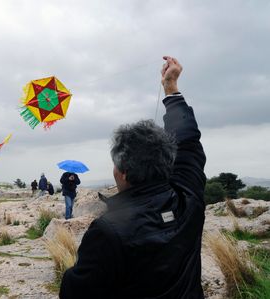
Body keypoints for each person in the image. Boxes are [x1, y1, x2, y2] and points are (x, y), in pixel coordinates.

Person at [60, 57, 207, 298]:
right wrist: (171, 88)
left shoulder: (107, 231)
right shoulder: (189, 198)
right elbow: (189, 144)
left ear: (124, 172)